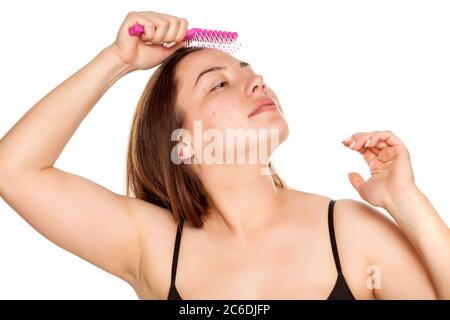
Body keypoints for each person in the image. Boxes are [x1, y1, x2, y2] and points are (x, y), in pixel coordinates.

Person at [0, 10, 448, 300]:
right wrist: (118, 59)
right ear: (182, 140)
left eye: (250, 73)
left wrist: (407, 200)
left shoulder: (349, 230)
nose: (256, 83)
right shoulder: (153, 246)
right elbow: (14, 170)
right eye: (219, 83)